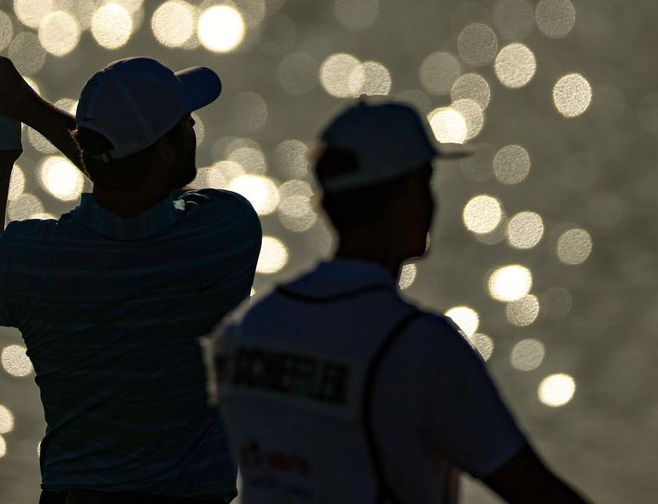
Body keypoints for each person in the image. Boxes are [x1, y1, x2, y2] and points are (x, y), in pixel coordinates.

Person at [204, 99, 594, 504]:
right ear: (408, 195)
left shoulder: (247, 328)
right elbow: (533, 489)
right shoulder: (419, 347)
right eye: (425, 181)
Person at [0, 41, 262, 504]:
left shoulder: (31, 259)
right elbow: (126, 178)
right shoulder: (225, 232)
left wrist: (0, 154)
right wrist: (30, 107)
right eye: (181, 124)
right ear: (163, 152)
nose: (193, 125)